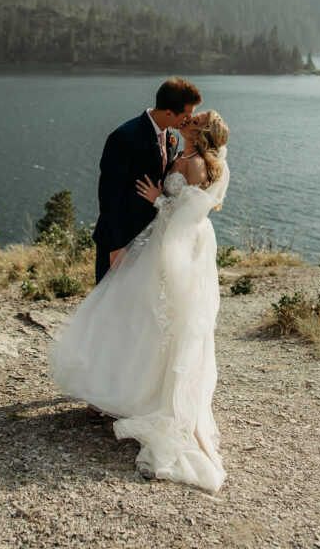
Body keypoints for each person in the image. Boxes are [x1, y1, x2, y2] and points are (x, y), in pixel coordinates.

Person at [49, 109, 230, 493]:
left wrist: (157, 200)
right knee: (137, 315)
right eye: (188, 114)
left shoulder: (196, 164)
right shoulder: (180, 150)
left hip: (175, 248)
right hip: (158, 243)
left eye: (194, 119)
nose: (188, 119)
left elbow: (190, 214)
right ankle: (119, 390)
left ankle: (147, 398)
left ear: (200, 131)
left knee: (159, 318)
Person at [93, 77, 202, 285]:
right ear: (169, 112)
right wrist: (116, 246)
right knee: (110, 307)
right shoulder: (124, 137)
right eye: (187, 115)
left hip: (149, 242)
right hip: (121, 239)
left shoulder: (172, 136)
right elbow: (108, 196)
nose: (190, 119)